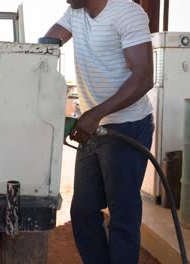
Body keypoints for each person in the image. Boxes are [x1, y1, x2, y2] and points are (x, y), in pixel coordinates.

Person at [44, 0, 154, 263]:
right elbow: (45, 45)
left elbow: (144, 77)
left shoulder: (127, 13)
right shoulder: (75, 12)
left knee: (123, 215)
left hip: (127, 126)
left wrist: (95, 114)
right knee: (83, 212)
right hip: (93, 126)